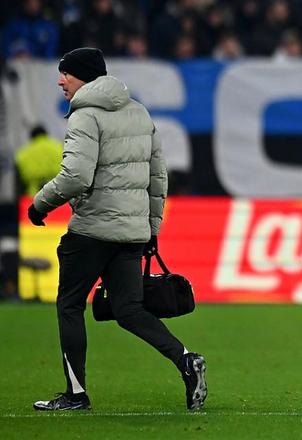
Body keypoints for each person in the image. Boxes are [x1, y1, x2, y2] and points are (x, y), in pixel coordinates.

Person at [28, 48, 207, 411]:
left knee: (70, 306)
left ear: (83, 76)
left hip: (91, 231)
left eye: (66, 74)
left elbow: (76, 176)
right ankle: (186, 359)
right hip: (131, 233)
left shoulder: (85, 115)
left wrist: (39, 204)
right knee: (129, 310)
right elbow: (158, 177)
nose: (60, 81)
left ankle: (76, 394)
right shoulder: (139, 112)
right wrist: (151, 229)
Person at [15, 125, 63, 197]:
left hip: (34, 197)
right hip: (59, 194)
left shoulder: (23, 153)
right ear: (46, 134)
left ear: (32, 137)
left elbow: (19, 183)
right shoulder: (59, 147)